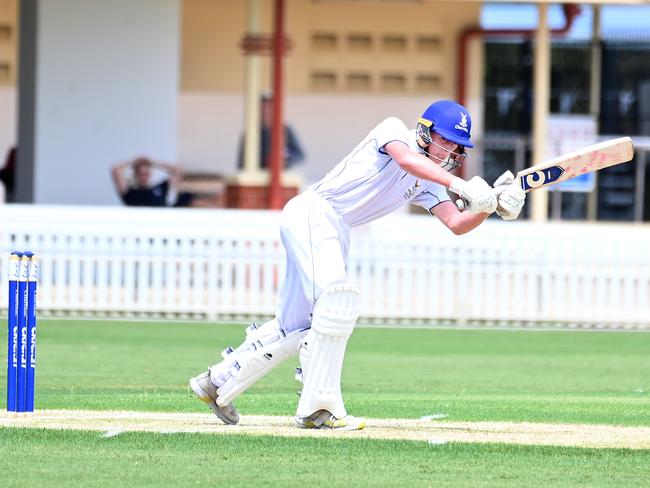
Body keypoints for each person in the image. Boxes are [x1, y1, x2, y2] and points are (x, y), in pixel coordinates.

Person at [189, 100, 526, 430]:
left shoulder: (433, 182)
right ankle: (318, 409)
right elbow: (406, 160)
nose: (451, 151)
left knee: (294, 326)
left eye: (457, 146)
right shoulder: (395, 131)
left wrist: (490, 206)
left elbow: (456, 223)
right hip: (315, 212)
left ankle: (216, 382)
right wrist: (462, 186)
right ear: (425, 132)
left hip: (335, 228)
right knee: (335, 306)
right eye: (446, 141)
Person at [237, 93, 305, 170]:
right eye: (263, 108)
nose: (266, 111)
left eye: (269, 107)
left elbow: (299, 155)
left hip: (279, 176)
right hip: (256, 177)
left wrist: (285, 158)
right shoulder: (251, 131)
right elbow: (241, 162)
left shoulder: (285, 130)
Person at [111, 157, 192, 207]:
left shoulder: (160, 188)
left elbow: (178, 170)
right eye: (141, 174)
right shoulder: (130, 191)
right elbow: (115, 170)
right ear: (135, 175)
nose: (144, 176)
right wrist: (135, 161)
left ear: (150, 174)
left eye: (146, 174)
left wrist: (152, 162)